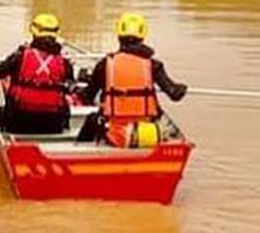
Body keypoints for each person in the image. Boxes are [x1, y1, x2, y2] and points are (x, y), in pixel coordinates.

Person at [77, 12, 187, 147]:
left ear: (119, 36)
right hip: (147, 131)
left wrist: (83, 85)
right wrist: (181, 88)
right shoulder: (154, 65)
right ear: (143, 36)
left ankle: (79, 154)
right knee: (165, 123)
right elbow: (175, 94)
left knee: (91, 120)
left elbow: (87, 96)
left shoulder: (105, 64)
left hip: (115, 133)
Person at [0, 12, 76, 135]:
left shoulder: (19, 57)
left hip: (18, 124)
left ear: (33, 33)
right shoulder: (65, 63)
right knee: (64, 103)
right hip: (53, 126)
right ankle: (65, 132)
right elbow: (70, 89)